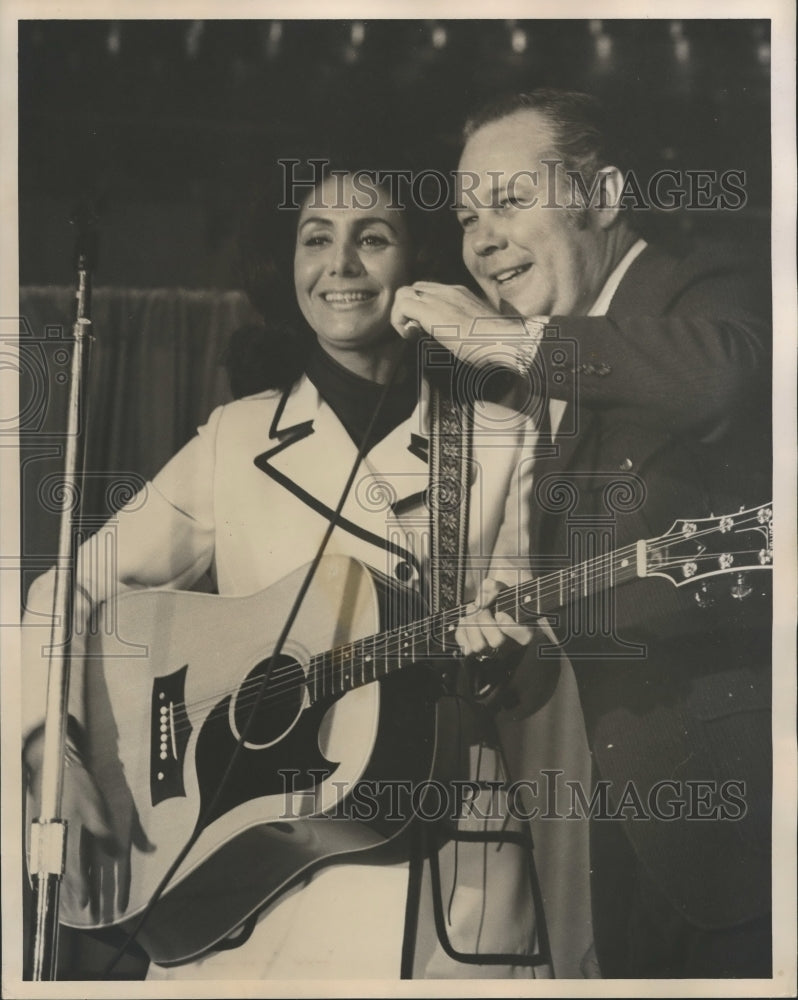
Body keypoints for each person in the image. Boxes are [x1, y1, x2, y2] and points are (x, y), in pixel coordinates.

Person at [21, 156, 588, 980]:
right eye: (315, 239)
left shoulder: (500, 439)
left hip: (440, 880)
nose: (340, 265)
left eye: (373, 238)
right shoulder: (236, 438)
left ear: (419, 265)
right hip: (252, 893)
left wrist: (507, 658)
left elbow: (534, 659)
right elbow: (64, 588)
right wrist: (52, 746)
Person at [391, 89, 772, 978]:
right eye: (467, 216)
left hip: (751, 824)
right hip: (643, 833)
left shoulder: (710, 279)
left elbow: (723, 380)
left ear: (602, 198)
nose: (482, 238)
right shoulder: (544, 382)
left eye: (512, 202)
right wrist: (507, 636)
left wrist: (506, 340)